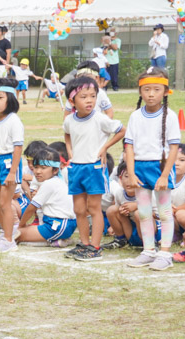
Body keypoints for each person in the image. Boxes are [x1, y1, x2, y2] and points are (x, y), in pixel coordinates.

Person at [61, 76, 124, 261]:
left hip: (94, 168)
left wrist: (104, 147)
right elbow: (66, 133)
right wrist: (70, 151)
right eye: (84, 97)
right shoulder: (70, 120)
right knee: (79, 209)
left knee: (94, 207)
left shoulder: (100, 118)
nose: (89, 100)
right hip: (76, 168)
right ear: (72, 101)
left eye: (93, 96)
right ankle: (84, 243)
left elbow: (122, 130)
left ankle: (95, 247)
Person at [123, 67, 180, 270]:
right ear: (140, 91)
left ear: (165, 92)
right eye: (147, 90)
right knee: (144, 212)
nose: (151, 94)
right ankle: (148, 250)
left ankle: (165, 253)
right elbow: (128, 146)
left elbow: (174, 148)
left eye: (156, 90)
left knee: (164, 212)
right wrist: (131, 173)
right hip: (139, 168)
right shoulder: (135, 117)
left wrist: (165, 175)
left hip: (160, 167)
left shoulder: (170, 116)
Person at [0, 79, 24, 254]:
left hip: (8, 162)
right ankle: (8, 229)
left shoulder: (14, 120)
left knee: (5, 203)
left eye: (0, 97)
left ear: (9, 99)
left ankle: (8, 239)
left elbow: (18, 148)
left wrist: (13, 172)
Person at [16, 147, 77, 245]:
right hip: (60, 224)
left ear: (55, 170)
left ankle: (54, 241)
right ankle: (58, 240)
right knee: (20, 233)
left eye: (43, 168)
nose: (38, 171)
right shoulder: (54, 181)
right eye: (36, 167)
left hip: (58, 225)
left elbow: (31, 208)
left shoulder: (49, 183)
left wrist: (21, 225)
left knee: (16, 234)